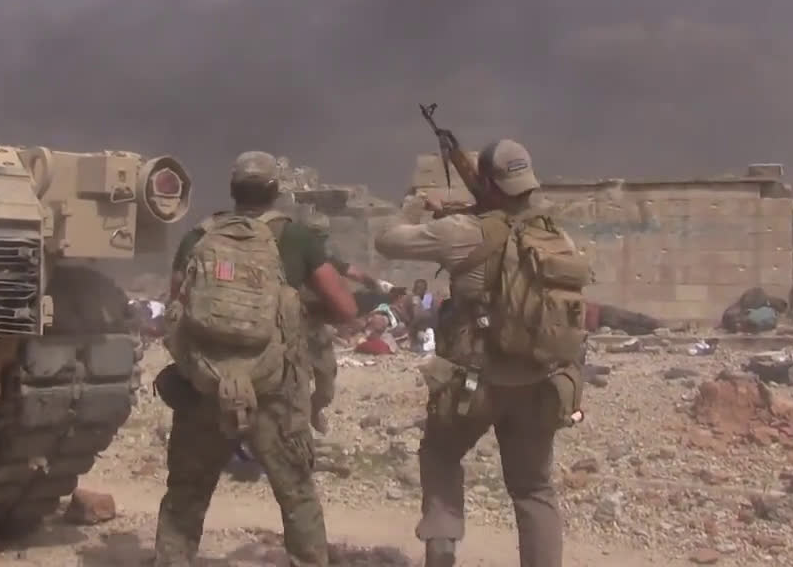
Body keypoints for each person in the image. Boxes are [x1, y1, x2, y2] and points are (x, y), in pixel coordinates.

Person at [374, 139, 589, 567]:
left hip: (474, 383)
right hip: (539, 381)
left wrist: (415, 207)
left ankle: (441, 549)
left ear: (487, 183)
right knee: (533, 490)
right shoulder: (555, 236)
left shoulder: (463, 232)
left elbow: (387, 241)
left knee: (440, 455)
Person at [155, 151, 358, 567]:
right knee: (296, 493)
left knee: (186, 493)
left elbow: (175, 305)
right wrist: (298, 310)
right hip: (274, 389)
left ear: (233, 190)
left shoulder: (199, 237)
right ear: (274, 190)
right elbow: (345, 309)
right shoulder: (296, 238)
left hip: (206, 385)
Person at [301, 212, 391, 433]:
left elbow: (353, 272)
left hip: (315, 327)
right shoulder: (290, 259)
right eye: (315, 236)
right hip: (291, 326)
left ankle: (314, 410)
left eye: (322, 236)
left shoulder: (324, 260)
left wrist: (375, 284)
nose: (318, 241)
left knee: (326, 384)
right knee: (294, 383)